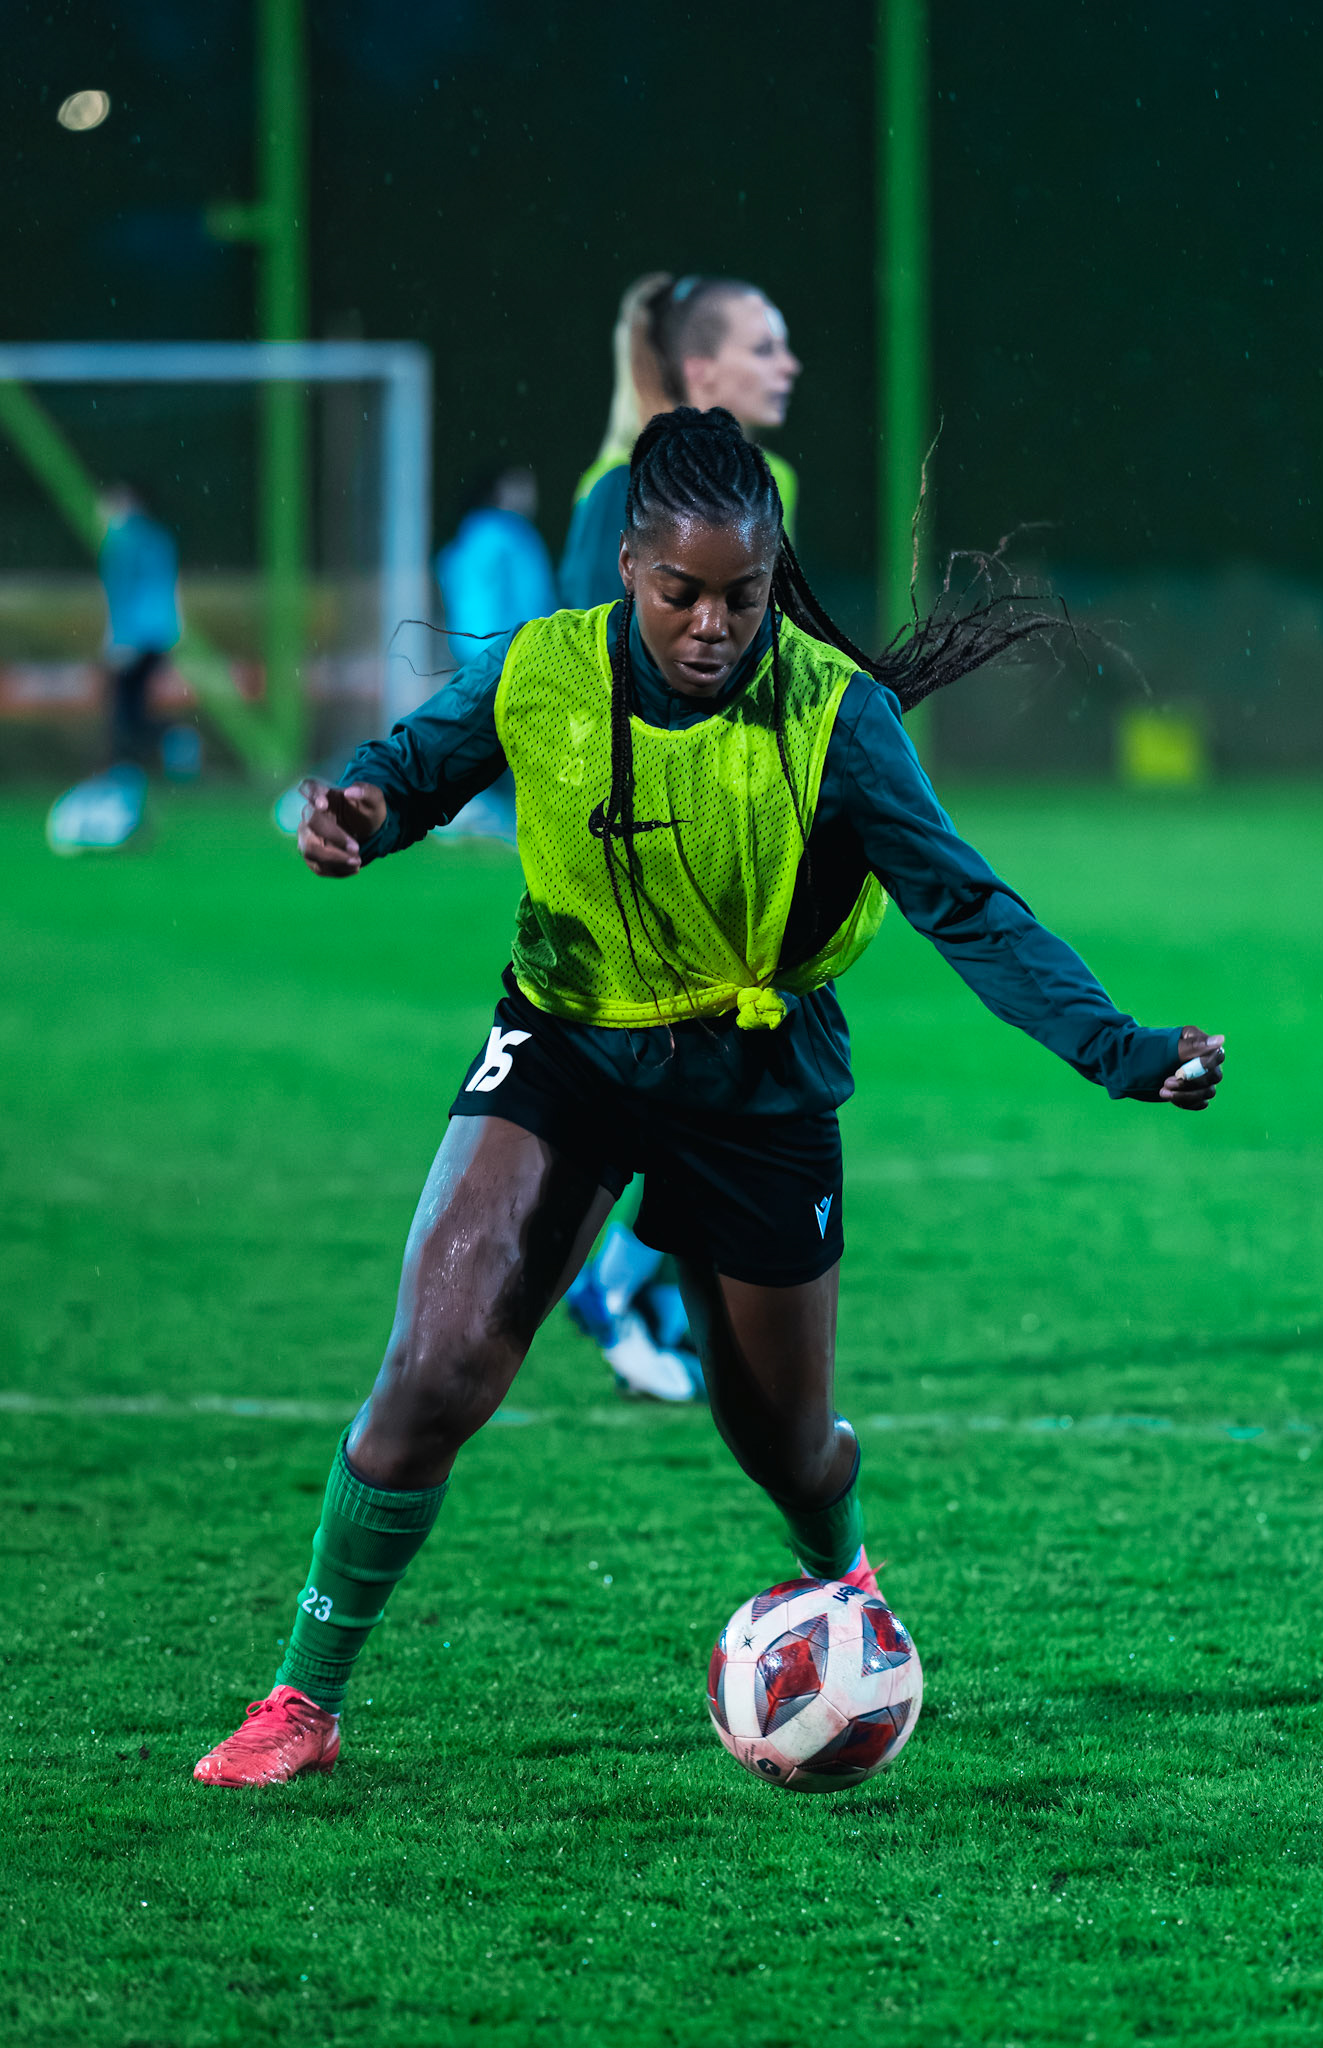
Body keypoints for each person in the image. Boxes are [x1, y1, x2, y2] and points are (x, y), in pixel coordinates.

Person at [192, 407, 1225, 1788]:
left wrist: (1121, 1048)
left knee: (781, 1441)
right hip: (569, 1044)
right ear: (628, 563)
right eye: (681, 591)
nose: (711, 623)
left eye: (742, 594)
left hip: (758, 1080)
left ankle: (838, 1575)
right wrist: (359, 812)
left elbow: (965, 908)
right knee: (433, 1370)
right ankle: (300, 1704)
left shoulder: (832, 716)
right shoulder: (544, 670)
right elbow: (411, 771)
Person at [558, 274, 802, 1393]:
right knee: (691, 1084)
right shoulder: (624, 493)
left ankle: (651, 1287)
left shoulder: (770, 484)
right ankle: (612, 1274)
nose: (787, 364)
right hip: (643, 863)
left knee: (726, 1085)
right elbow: (572, 668)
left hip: (741, 860)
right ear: (701, 375)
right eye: (765, 345)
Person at [558, 275, 801, 611]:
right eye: (763, 350)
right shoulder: (620, 481)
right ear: (698, 368)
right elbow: (596, 625)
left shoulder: (771, 476)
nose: (790, 366)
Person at [46, 484, 195, 855]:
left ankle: (126, 787)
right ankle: (151, 760)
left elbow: (122, 591)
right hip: (159, 634)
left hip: (133, 637)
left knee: (123, 716)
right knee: (132, 712)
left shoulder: (122, 540)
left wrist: (118, 639)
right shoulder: (159, 537)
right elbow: (169, 588)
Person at [430, 465, 558, 845]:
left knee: (480, 731)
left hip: (472, 649)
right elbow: (530, 597)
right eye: (521, 488)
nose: (530, 497)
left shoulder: (469, 534)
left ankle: (462, 806)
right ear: (501, 492)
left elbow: (452, 582)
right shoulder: (510, 536)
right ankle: (498, 811)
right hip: (508, 650)